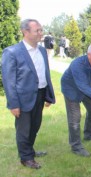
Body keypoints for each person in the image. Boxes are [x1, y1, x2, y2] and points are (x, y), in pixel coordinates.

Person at [1, 19, 56, 169]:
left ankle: (29, 150)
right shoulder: (11, 52)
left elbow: (45, 74)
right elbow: (8, 81)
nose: (41, 33)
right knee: (24, 129)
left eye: (41, 30)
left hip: (40, 94)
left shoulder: (42, 50)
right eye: (37, 30)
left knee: (35, 126)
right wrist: (13, 104)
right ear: (25, 32)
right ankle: (26, 158)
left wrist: (48, 95)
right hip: (22, 98)